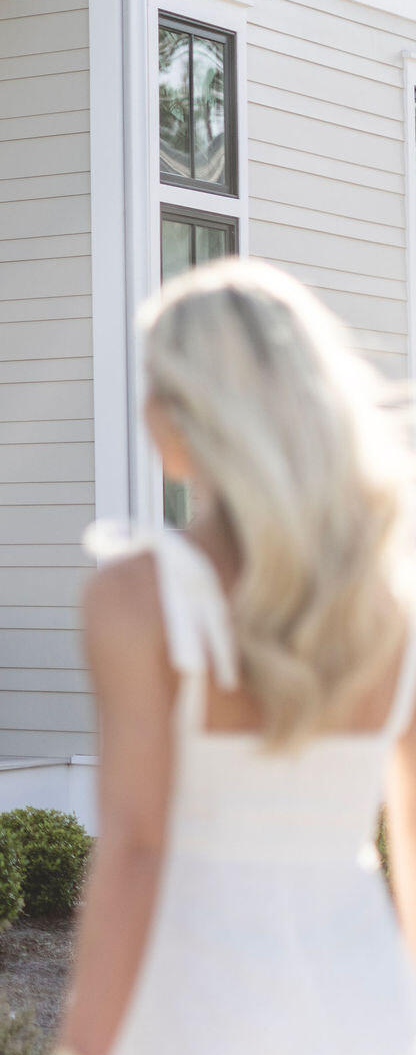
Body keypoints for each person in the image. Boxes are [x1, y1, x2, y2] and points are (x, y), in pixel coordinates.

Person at [57, 259, 416, 1055]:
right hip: (366, 1005)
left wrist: (81, 1045)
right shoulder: (393, 598)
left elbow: (137, 847)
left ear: (185, 418)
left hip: (195, 1007)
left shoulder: (138, 597)